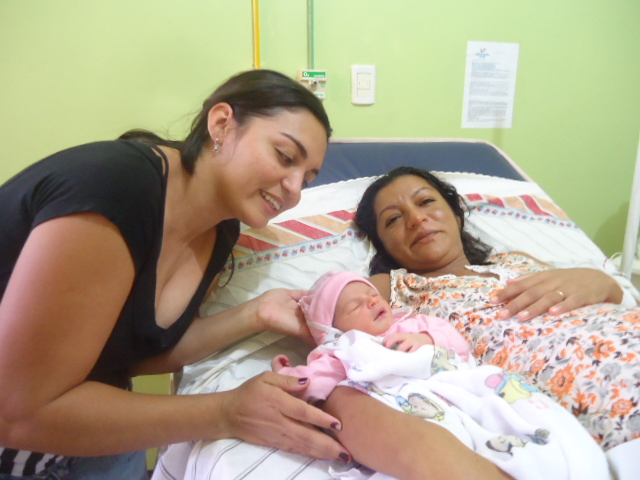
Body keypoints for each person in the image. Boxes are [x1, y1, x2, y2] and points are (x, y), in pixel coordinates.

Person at [0, 69, 352, 479]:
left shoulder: (222, 230)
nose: (294, 188)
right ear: (222, 124)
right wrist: (227, 412)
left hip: (96, 442)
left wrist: (256, 314)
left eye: (308, 178)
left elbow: (133, 357)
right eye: (285, 157)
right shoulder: (117, 189)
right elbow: (19, 414)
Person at [344, 165, 640, 452]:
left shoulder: (516, 259)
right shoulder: (395, 286)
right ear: (383, 246)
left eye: (426, 202)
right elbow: (331, 309)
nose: (416, 218)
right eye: (393, 219)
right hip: (602, 389)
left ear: (457, 216)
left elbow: (617, 299)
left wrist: (603, 282)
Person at [273, 270, 609, 480]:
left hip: (452, 384)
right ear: (332, 329)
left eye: (373, 295)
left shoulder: (413, 322)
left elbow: (456, 344)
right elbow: (314, 381)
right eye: (355, 305)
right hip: (405, 410)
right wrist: (289, 375)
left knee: (500, 408)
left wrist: (426, 341)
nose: (372, 302)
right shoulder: (342, 349)